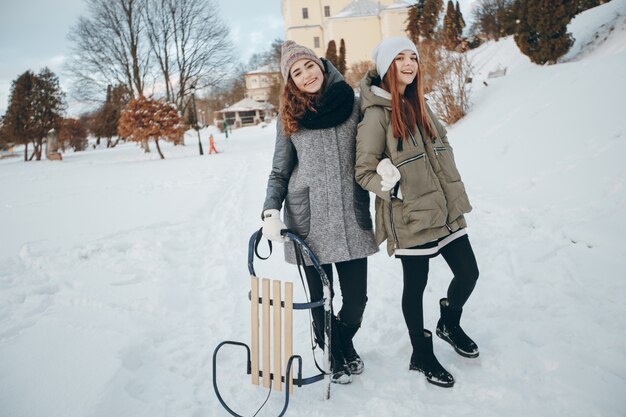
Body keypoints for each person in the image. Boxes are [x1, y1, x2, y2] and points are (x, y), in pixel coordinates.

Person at [355, 37, 480, 388]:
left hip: (445, 206)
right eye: (400, 58)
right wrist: (394, 187)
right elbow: (363, 171)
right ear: (386, 66)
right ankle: (420, 353)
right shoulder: (375, 116)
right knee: (416, 287)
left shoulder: (420, 104)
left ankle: (449, 323)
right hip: (409, 214)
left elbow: (442, 145)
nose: (410, 64)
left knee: (469, 273)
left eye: (413, 57)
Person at [261, 40, 378, 385]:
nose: (305, 74)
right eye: (296, 72)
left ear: (322, 66)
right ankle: (332, 352)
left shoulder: (354, 105)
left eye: (309, 66)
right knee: (320, 301)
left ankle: (341, 341)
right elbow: (280, 171)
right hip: (307, 220)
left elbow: (373, 150)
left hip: (350, 216)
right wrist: (270, 209)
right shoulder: (289, 119)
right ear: (291, 82)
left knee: (355, 301)